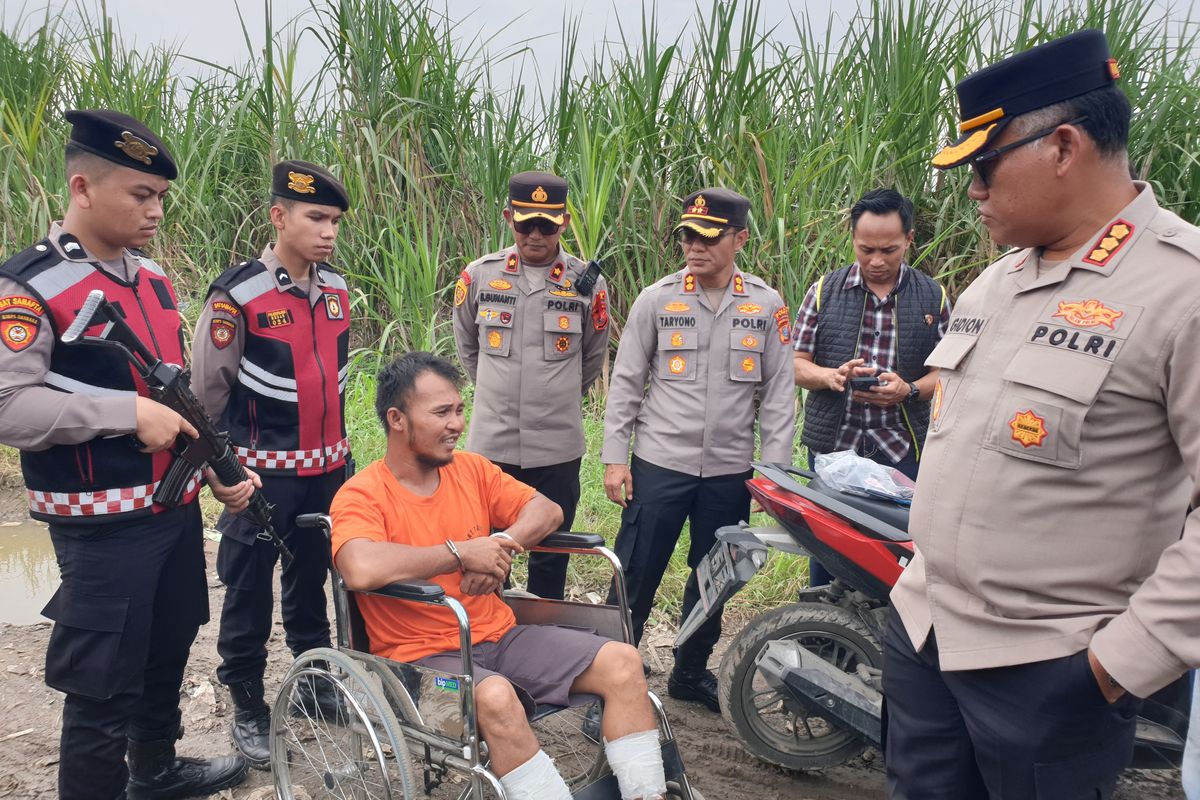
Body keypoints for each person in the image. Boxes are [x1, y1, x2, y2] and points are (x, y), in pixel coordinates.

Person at [885, 30, 1200, 799]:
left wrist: (1118, 664)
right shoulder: (996, 284)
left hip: (1049, 671)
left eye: (985, 167)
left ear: (1062, 146)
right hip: (926, 636)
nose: (974, 191)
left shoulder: (1179, 291)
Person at [0, 110, 249, 799]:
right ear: (82, 187)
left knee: (167, 650)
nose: (156, 211)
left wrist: (218, 468)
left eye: (162, 198)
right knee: (103, 685)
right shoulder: (29, 286)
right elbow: (7, 405)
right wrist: (123, 414)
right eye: (141, 195)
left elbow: (181, 405)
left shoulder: (154, 280)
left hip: (170, 510)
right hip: (100, 524)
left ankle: (157, 773)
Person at [329, 352, 669, 800]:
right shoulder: (363, 494)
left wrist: (498, 548)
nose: (455, 424)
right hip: (417, 670)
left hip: (499, 638)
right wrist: (459, 554)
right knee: (495, 698)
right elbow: (359, 566)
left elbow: (547, 510)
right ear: (397, 419)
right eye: (440, 413)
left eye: (458, 409)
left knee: (623, 664)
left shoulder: (471, 470)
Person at [601, 188, 795, 710]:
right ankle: (607, 674)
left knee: (715, 576)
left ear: (740, 239)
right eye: (688, 235)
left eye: (709, 237)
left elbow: (779, 394)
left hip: (731, 470)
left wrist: (773, 475)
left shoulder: (765, 305)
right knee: (637, 570)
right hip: (661, 463)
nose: (695, 246)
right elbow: (625, 382)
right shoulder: (658, 299)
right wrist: (615, 458)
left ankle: (689, 672)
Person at [190, 160, 352, 768]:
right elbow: (205, 399)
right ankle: (249, 703)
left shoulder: (336, 290)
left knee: (311, 579)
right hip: (260, 477)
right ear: (279, 216)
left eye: (335, 220)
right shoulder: (237, 297)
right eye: (316, 217)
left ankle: (315, 680)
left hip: (328, 472)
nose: (328, 231)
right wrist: (219, 472)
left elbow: (332, 382)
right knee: (249, 588)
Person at [451, 170, 609, 601]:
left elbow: (592, 357)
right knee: (486, 552)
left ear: (565, 223)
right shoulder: (479, 276)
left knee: (550, 550)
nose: (535, 235)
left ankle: (542, 637)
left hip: (556, 447)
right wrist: (495, 390)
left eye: (547, 224)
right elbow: (468, 345)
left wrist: (551, 396)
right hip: (491, 445)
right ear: (509, 218)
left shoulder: (587, 285)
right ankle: (490, 634)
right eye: (525, 224)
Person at [792, 188, 949, 587]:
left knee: (897, 554)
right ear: (852, 240)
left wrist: (909, 389)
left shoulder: (934, 296)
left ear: (909, 240)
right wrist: (831, 377)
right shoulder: (824, 291)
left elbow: (950, 374)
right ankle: (827, 631)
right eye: (866, 250)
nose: (876, 261)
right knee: (828, 548)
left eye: (889, 250)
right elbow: (793, 363)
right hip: (834, 447)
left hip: (903, 450)